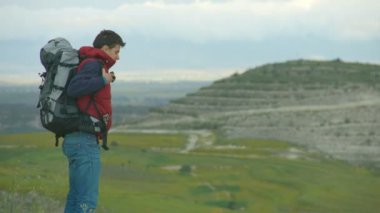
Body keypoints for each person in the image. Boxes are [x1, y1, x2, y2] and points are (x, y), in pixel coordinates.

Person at [63, 30, 125, 212]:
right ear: (105, 49)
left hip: (77, 139)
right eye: (116, 51)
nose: (118, 57)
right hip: (85, 142)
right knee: (86, 201)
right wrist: (102, 80)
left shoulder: (89, 63)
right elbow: (74, 89)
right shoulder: (93, 65)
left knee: (76, 197)